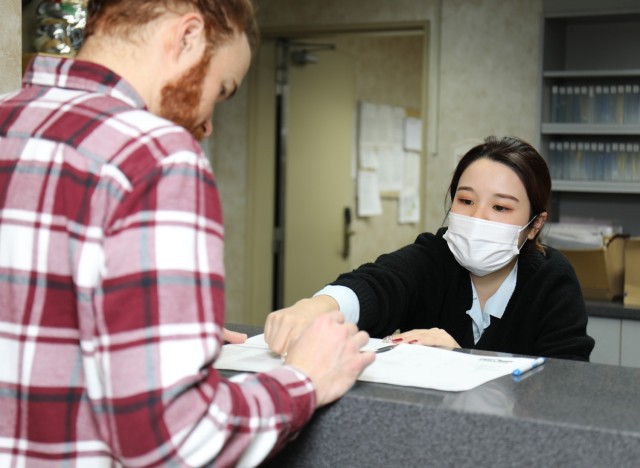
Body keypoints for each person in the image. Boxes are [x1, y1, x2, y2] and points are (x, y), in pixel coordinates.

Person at [0, 1, 374, 466]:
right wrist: (304, 379)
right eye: (221, 89)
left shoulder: (10, 118)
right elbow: (176, 439)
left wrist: (148, 331)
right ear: (188, 36)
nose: (209, 125)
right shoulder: (156, 154)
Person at [265, 136, 595, 362]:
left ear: (535, 224)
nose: (478, 217)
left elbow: (563, 385)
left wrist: (463, 361)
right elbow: (380, 284)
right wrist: (317, 307)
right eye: (466, 201)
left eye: (501, 208)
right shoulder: (436, 256)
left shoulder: (552, 279)